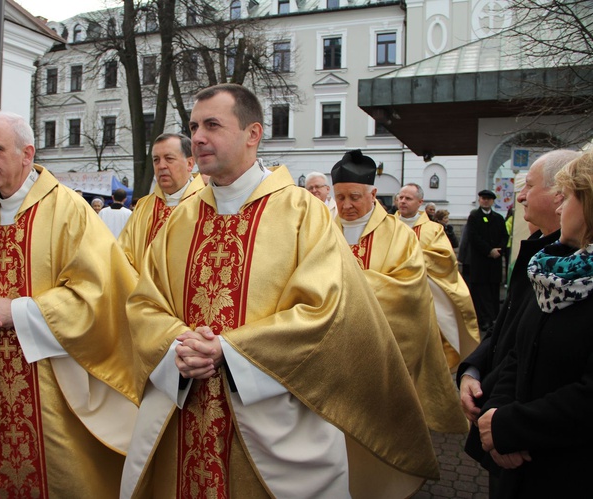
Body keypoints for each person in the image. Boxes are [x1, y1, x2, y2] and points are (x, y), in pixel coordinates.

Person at [121, 84, 439, 499]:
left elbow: (329, 311)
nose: (197, 137)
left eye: (212, 125)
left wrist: (229, 352)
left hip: (274, 425)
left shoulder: (302, 213)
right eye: (194, 126)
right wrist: (175, 346)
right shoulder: (180, 220)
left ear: (253, 134)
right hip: (185, 413)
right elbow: (145, 302)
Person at [0, 111, 138, 498]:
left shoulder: (70, 212)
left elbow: (100, 291)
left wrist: (18, 311)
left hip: (53, 382)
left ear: (27, 153)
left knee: (61, 479)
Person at [457, 149, 580, 496]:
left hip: (551, 458)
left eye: (528, 185)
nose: (521, 195)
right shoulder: (546, 258)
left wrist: (510, 426)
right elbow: (511, 336)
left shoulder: (565, 271)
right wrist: (473, 371)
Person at [332, 151, 466, 434]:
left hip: (381, 349)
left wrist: (342, 286)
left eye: (354, 197)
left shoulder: (400, 235)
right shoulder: (323, 230)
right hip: (332, 351)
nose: (346, 205)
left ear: (374, 194)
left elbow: (408, 291)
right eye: (339, 197)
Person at [397, 183, 480, 371]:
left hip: (422, 290)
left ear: (420, 202)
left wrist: (410, 260)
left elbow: (444, 258)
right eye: (400, 197)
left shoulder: (433, 229)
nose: (402, 201)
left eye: (408, 198)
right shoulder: (386, 224)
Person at [118, 133, 204, 275]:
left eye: (169, 159)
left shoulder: (207, 204)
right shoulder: (143, 208)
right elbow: (124, 257)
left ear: (190, 163)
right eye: (156, 160)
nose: (161, 166)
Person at [466, 189, 508, 332]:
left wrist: (499, 250)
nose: (485, 201)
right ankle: (483, 319)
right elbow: (473, 237)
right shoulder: (474, 217)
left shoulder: (498, 218)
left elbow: (505, 236)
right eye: (483, 198)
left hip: (494, 262)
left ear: (492, 201)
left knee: (493, 291)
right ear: (479, 200)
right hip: (480, 262)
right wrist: (489, 250)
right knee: (480, 293)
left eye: (488, 199)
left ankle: (494, 319)